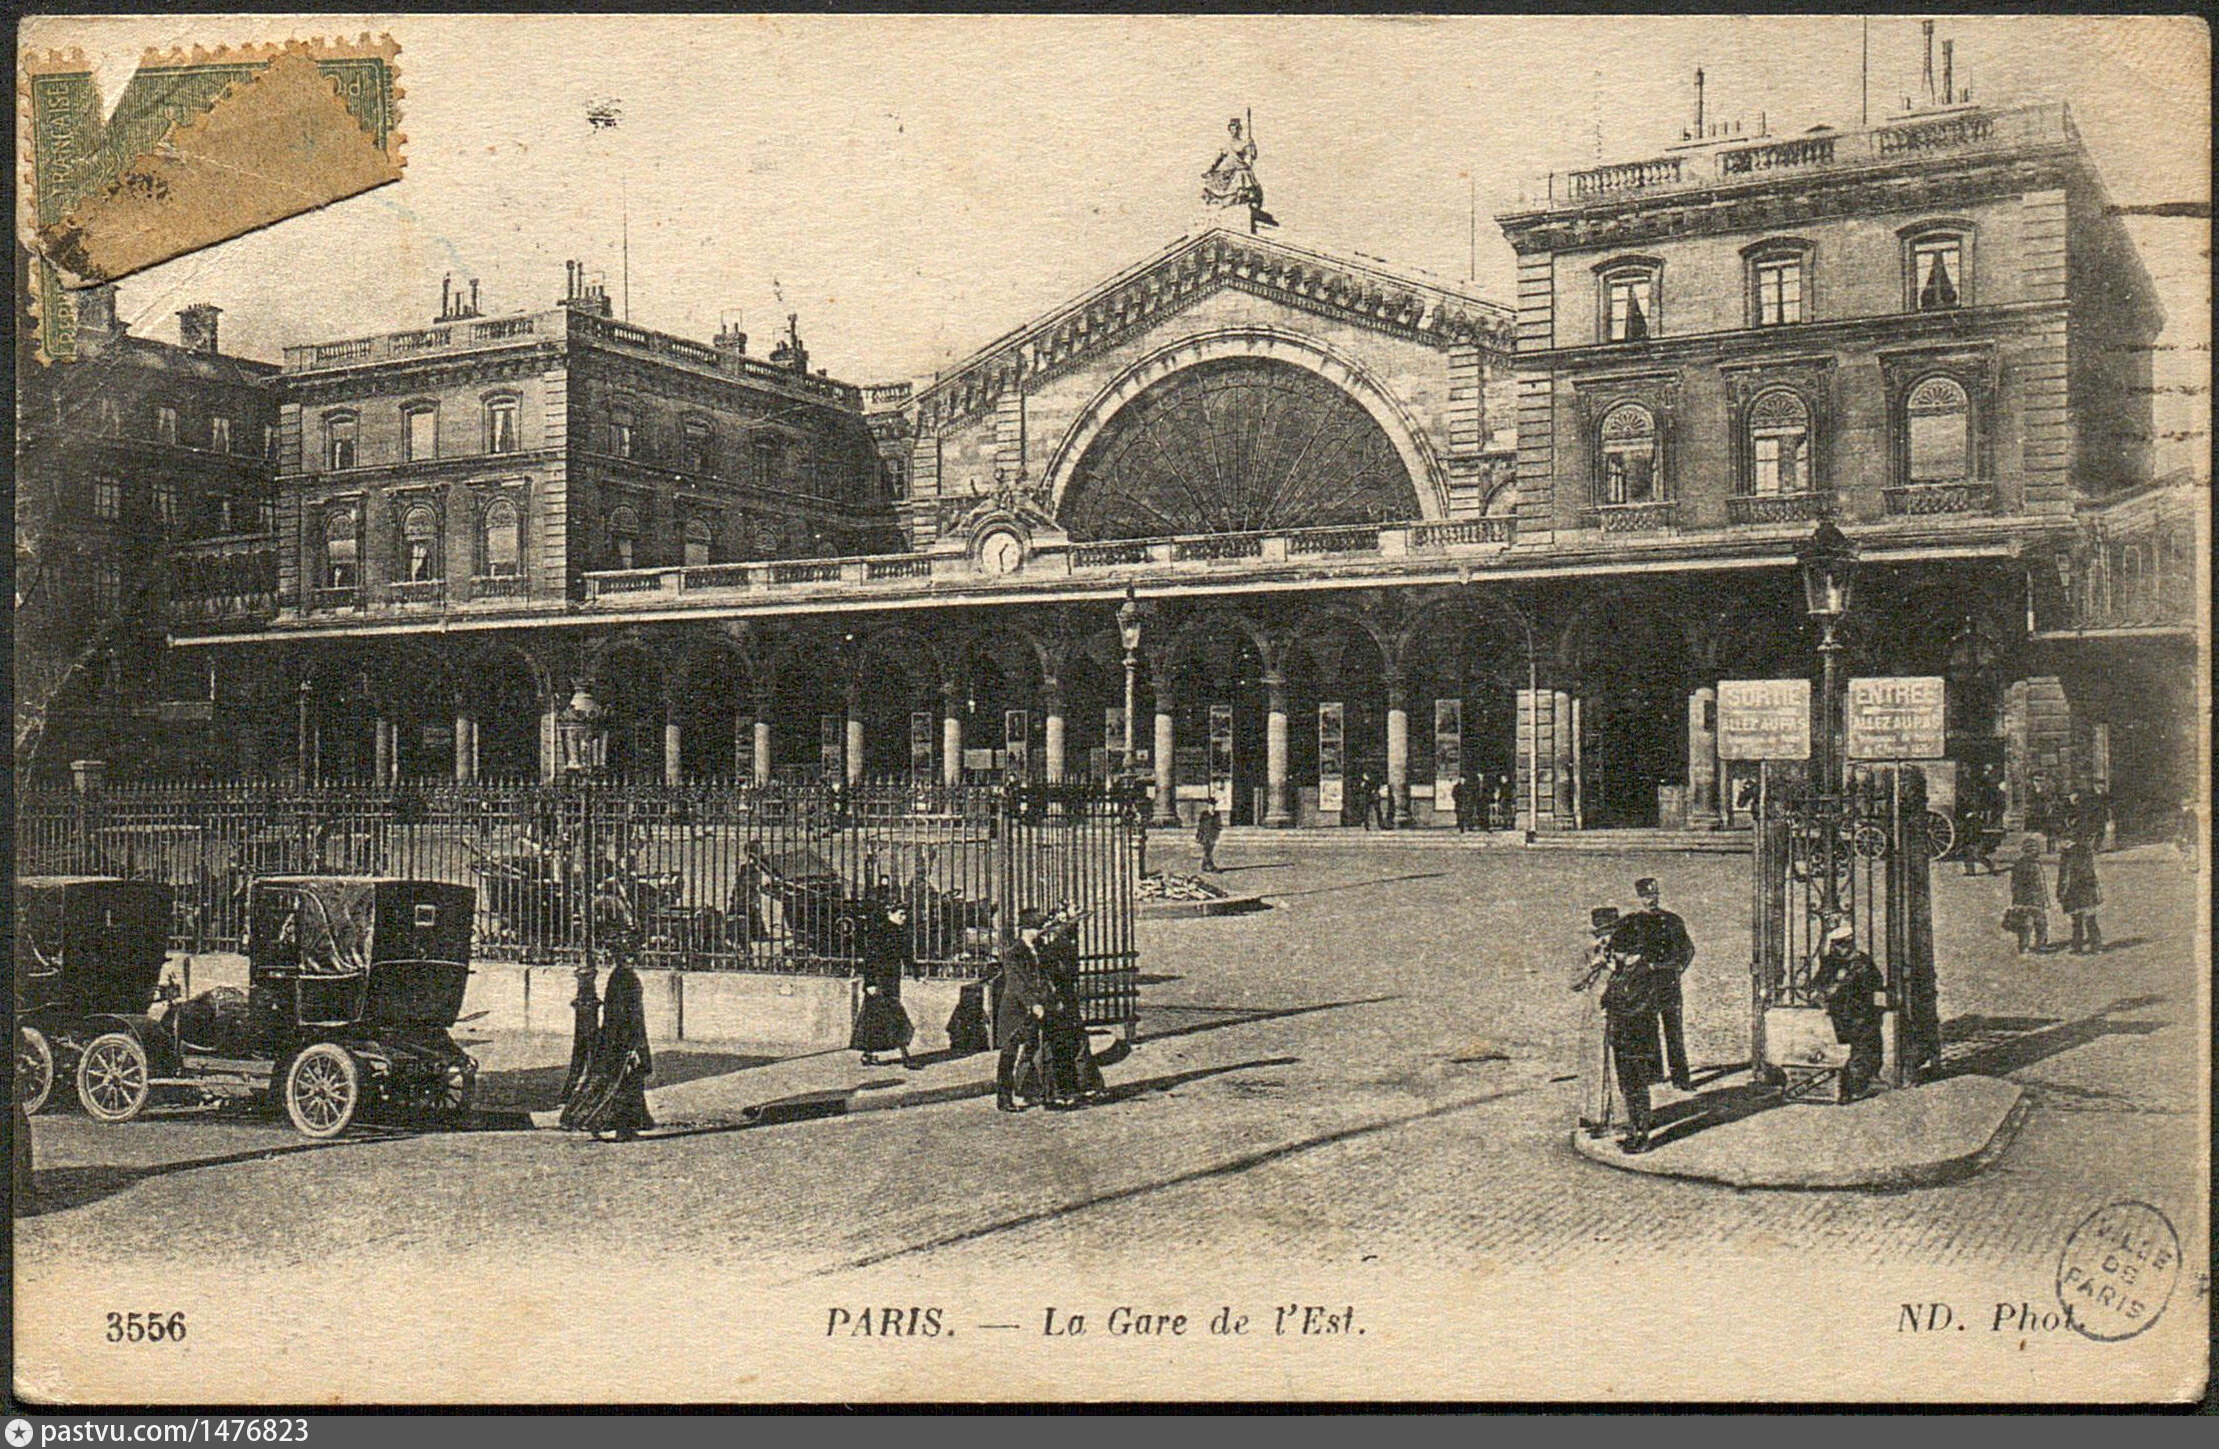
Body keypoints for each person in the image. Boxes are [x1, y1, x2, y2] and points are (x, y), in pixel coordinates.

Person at [561, 871, 655, 1141]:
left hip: (614, 1038)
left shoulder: (619, 977)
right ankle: (619, 1126)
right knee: (622, 1085)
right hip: (623, 1040)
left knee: (614, 1084)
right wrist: (637, 1046)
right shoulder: (625, 978)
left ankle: (609, 1123)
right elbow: (632, 1017)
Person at [1615, 876, 1696, 1091]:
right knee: (1649, 1028)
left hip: (1669, 982)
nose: (1651, 900)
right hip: (1646, 984)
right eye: (1646, 896)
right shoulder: (1632, 921)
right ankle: (1654, 1073)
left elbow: (1687, 949)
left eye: (1653, 895)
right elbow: (1619, 950)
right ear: (1639, 898)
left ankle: (1681, 1077)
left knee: (1674, 1031)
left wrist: (1678, 968)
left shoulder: (1673, 920)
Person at [1599, 913, 1663, 1152]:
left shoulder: (1644, 973)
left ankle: (1642, 1135)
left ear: (1628, 951)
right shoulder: (1623, 971)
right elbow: (1607, 996)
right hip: (1623, 1039)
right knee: (1628, 1087)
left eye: (1617, 950)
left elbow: (1640, 1006)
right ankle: (1634, 1130)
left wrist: (1614, 1007)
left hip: (1637, 1040)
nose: (1614, 955)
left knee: (1637, 1089)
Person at [1037, 904, 1104, 1107]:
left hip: (1061, 999)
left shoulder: (1056, 946)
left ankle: (1071, 1088)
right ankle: (1075, 1088)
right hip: (1059, 1000)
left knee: (1066, 1044)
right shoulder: (1059, 946)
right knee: (1068, 1044)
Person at [1812, 919, 1884, 1104]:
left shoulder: (1860, 962)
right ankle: (1849, 1086)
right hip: (1842, 1014)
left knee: (1863, 1048)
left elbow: (1872, 981)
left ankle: (1856, 1085)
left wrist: (1832, 989)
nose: (1838, 949)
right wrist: (1819, 992)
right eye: (1836, 945)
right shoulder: (1834, 962)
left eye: (1841, 945)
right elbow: (1817, 982)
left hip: (1858, 1013)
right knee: (1852, 1049)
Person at [995, 907, 1054, 1112]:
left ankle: (1031, 1092)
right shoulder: (1014, 953)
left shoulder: (1037, 949)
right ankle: (1004, 1099)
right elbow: (1017, 983)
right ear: (1028, 929)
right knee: (1009, 1055)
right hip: (1014, 1011)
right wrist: (1032, 1004)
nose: (1041, 932)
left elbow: (1042, 977)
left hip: (1035, 1008)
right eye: (1039, 928)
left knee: (1032, 1050)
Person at [1571, 906, 1623, 1139]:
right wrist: (1595, 964)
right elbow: (1573, 982)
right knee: (1593, 1063)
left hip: (1619, 1011)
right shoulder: (1589, 953)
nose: (1606, 938)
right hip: (1593, 1013)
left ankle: (1620, 1118)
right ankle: (1595, 1115)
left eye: (1610, 932)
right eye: (1602, 933)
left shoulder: (1625, 951)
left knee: (1616, 1064)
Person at [851, 900, 917, 1068]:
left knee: (877, 1017)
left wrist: (917, 974)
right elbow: (870, 958)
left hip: (892, 980)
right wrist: (870, 983)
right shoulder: (879, 931)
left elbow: (907, 956)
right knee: (894, 1015)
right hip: (879, 981)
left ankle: (868, 1054)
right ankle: (905, 1056)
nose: (904, 917)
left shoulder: (900, 932)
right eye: (900, 914)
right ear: (890, 914)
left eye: (905, 913)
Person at [560, 961, 599, 1105]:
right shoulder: (586, 985)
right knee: (586, 1053)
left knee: (584, 1053)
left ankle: (577, 1089)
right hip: (586, 1008)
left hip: (586, 1008)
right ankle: (582, 1089)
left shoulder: (586, 986)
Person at [2058, 831, 2103, 953]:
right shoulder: (2085, 852)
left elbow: (2064, 876)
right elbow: (2091, 874)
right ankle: (2096, 946)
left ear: (2067, 841)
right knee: (2089, 919)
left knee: (2077, 921)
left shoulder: (2067, 854)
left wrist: (2061, 892)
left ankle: (2078, 946)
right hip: (2088, 890)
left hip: (2075, 891)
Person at [2002, 840, 2051, 954]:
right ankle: (2025, 946)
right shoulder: (2021, 865)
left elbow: (2041, 884)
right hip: (2027, 899)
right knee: (2026, 924)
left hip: (2036, 899)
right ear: (2026, 851)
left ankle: (2040, 945)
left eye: (2036, 850)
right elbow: (2015, 884)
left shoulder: (2034, 864)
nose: (2035, 853)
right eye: (2032, 851)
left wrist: (2045, 899)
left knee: (2041, 923)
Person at [1195, 801, 1222, 872]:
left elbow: (1219, 825)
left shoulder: (1217, 814)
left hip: (1213, 836)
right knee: (1207, 851)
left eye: (1213, 806)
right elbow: (1200, 826)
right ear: (1208, 807)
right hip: (1205, 836)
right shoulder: (1204, 815)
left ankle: (1204, 866)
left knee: (1209, 851)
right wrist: (1198, 835)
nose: (1212, 808)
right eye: (1210, 806)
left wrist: (1217, 833)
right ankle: (1210, 866)